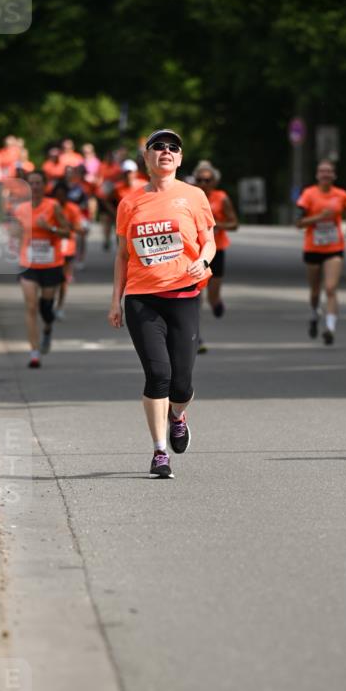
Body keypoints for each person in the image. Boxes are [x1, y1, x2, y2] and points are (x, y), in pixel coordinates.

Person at [108, 128, 216, 479]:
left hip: (184, 294)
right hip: (143, 298)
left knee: (181, 384)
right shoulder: (130, 202)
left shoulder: (194, 196)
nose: (166, 151)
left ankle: (177, 416)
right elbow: (123, 255)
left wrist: (203, 259)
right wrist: (116, 300)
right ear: (147, 158)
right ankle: (159, 452)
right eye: (158, 147)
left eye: (173, 148)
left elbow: (209, 240)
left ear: (180, 159)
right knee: (158, 374)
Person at [11, 171, 70, 368]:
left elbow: (67, 231)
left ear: (44, 185)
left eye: (38, 183)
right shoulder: (20, 209)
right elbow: (16, 233)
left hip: (51, 264)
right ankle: (34, 352)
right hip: (28, 264)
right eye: (31, 183)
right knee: (31, 307)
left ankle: (47, 328)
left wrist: (50, 229)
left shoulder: (53, 206)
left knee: (46, 308)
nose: (34, 187)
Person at [296, 160, 346, 345]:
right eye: (322, 172)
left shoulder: (342, 195)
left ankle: (330, 328)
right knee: (315, 291)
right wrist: (319, 217)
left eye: (329, 172)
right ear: (317, 175)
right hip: (313, 247)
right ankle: (314, 314)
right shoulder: (308, 194)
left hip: (334, 247)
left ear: (334, 175)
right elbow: (298, 223)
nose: (325, 175)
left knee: (330, 288)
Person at [192, 161, 238, 352]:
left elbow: (234, 223)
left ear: (214, 181)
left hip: (217, 250)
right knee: (196, 296)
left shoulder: (222, 198)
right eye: (199, 180)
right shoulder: (190, 197)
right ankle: (196, 337)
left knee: (212, 297)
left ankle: (217, 303)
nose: (203, 183)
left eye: (207, 180)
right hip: (196, 251)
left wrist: (218, 225)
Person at [50, 180, 84, 319]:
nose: (60, 198)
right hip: (52, 248)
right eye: (57, 195)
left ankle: (60, 306)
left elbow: (80, 229)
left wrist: (68, 225)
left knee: (63, 280)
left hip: (68, 248)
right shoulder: (49, 207)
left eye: (63, 195)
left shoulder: (73, 208)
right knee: (51, 280)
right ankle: (49, 304)